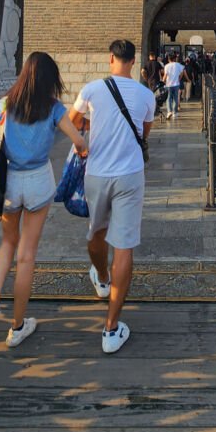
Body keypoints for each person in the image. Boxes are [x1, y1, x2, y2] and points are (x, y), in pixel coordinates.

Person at [0, 52, 87, 347]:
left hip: (9, 183)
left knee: (7, 244)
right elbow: (77, 140)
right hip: (39, 181)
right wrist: (82, 149)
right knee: (27, 254)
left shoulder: (3, 105)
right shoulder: (52, 108)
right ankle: (17, 326)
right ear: (50, 80)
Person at [68, 39, 155, 353]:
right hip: (130, 175)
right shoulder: (146, 95)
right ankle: (110, 328)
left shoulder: (91, 89)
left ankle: (101, 277)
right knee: (124, 246)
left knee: (97, 232)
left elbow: (71, 122)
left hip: (97, 174)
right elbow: (144, 133)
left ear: (110, 59)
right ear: (133, 61)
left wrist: (84, 142)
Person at [163, 53, 188, 119]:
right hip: (176, 84)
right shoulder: (178, 65)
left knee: (168, 98)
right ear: (174, 59)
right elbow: (182, 72)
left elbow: (165, 75)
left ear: (168, 59)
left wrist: (163, 82)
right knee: (175, 98)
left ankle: (169, 111)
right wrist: (179, 78)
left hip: (168, 84)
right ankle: (175, 112)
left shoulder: (166, 66)